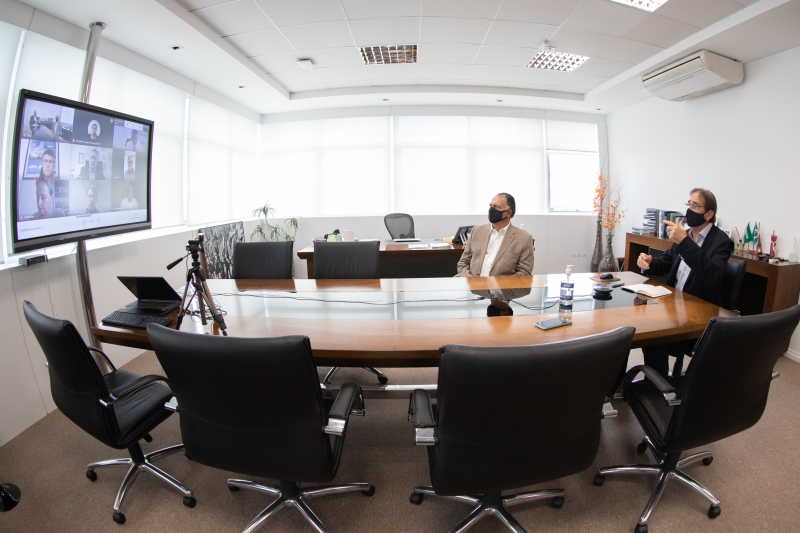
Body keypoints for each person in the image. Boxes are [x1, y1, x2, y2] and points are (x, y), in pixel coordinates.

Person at [637, 187, 733, 378]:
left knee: (654, 337)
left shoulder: (721, 241)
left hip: (698, 311)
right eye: (688, 204)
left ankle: (659, 390)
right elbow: (666, 263)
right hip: (674, 304)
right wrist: (648, 263)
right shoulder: (686, 235)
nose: (689, 209)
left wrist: (684, 242)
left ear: (709, 214)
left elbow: (712, 275)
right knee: (643, 327)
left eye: (695, 205)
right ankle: (656, 382)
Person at [457, 193, 534, 277]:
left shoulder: (524, 238)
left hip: (503, 288)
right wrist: (471, 281)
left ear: (508, 213)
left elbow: (524, 272)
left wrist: (497, 285)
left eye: (497, 207)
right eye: (491, 206)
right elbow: (463, 262)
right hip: (474, 287)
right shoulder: (476, 231)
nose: (492, 210)